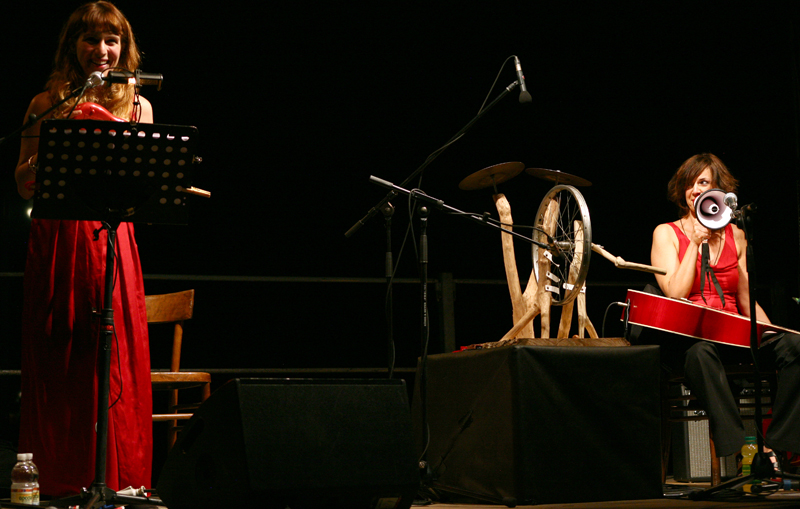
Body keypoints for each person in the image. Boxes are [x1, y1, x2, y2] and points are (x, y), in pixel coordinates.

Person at [14, 1, 153, 497]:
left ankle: (118, 480)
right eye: (91, 39)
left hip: (113, 237)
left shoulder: (139, 104)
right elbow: (23, 183)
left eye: (111, 40)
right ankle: (60, 476)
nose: (102, 50)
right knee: (61, 351)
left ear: (124, 47)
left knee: (109, 351)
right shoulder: (45, 101)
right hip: (59, 240)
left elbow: (142, 186)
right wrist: (44, 159)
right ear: (73, 45)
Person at [650, 152, 800, 469]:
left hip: (734, 335)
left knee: (795, 347)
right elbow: (675, 293)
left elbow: (746, 301)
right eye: (689, 183)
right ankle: (736, 447)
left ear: (719, 191)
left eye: (703, 182)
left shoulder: (738, 236)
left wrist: (773, 333)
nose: (695, 189)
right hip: (695, 338)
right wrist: (694, 242)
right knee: (700, 355)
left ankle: (777, 446)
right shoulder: (666, 233)